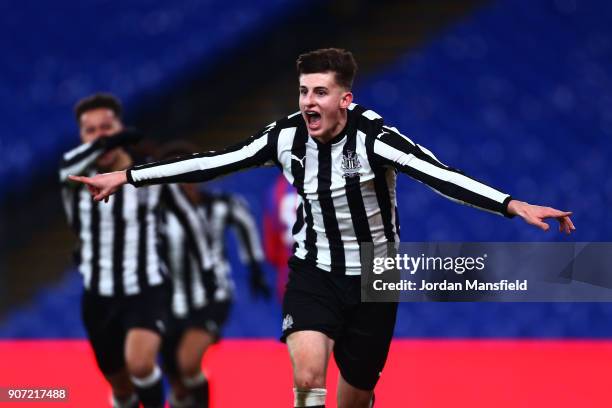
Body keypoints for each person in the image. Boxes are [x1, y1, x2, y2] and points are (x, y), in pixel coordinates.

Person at [69, 49, 575, 408]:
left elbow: (442, 178)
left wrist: (512, 204)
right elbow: (215, 162)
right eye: (303, 90)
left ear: (345, 99)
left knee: (354, 395)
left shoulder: (377, 139)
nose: (308, 101)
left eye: (320, 92)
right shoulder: (286, 136)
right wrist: (130, 175)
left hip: (377, 277)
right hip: (313, 271)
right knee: (308, 374)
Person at [59, 93, 211, 408]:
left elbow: (190, 220)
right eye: (91, 130)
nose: (100, 136)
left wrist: (206, 269)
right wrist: (113, 140)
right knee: (122, 389)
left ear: (121, 126)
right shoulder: (72, 177)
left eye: (107, 127)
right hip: (98, 298)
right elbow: (72, 161)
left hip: (146, 288)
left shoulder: (149, 176)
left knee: (141, 364)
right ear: (81, 137)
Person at [156, 142, 271, 408]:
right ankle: (181, 399)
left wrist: (255, 267)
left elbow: (243, 220)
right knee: (176, 376)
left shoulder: (220, 206)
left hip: (211, 296)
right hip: (167, 302)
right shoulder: (156, 215)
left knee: (188, 361)